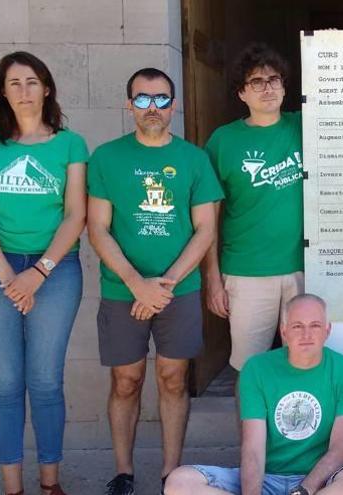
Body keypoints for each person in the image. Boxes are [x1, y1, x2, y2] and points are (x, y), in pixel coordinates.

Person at [86, 67, 224, 495]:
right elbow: (97, 227)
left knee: (172, 378)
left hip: (177, 292)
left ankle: (171, 474)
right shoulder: (107, 157)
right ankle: (124, 473)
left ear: (174, 105)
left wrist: (162, 285)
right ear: (128, 104)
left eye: (161, 99)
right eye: (142, 98)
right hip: (120, 291)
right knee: (126, 380)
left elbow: (205, 229)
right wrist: (135, 283)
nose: (152, 107)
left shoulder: (194, 159)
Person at [0, 51, 88, 495]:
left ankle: (50, 483)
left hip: (54, 269)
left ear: (47, 88)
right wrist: (6, 276)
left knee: (44, 380)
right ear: (3, 91)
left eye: (32, 81)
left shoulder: (70, 144)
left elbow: (76, 215)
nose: (24, 91)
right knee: (4, 383)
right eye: (14, 83)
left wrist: (38, 273)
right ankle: (12, 487)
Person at [164, 294, 343, 495]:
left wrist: (302, 492)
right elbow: (253, 449)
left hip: (318, 483)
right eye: (297, 326)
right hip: (265, 478)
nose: (307, 334)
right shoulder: (257, 369)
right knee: (179, 482)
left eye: (315, 326)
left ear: (327, 330)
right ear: (284, 332)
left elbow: (339, 451)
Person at [202, 42, 304, 374]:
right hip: (246, 272)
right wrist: (213, 279)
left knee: (304, 363)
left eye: (274, 79)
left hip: (305, 268)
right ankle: (251, 429)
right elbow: (208, 215)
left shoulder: (306, 127)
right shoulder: (223, 141)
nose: (268, 88)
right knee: (250, 369)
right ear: (241, 93)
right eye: (256, 82)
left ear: (285, 85)